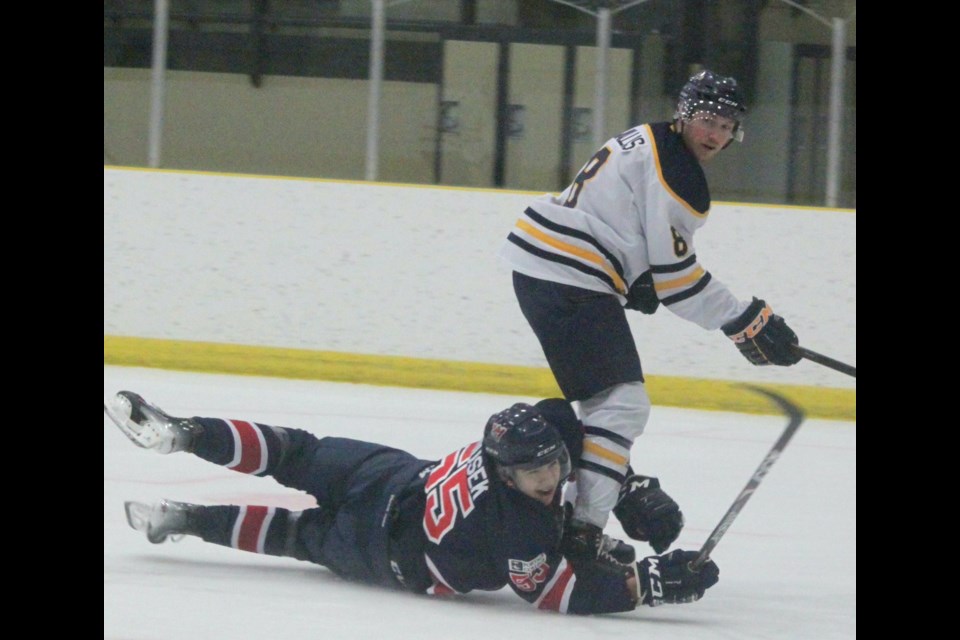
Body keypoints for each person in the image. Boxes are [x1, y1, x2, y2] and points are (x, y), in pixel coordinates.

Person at [497, 69, 802, 560]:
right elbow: (678, 281)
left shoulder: (650, 140)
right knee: (622, 404)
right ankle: (582, 538)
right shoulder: (677, 171)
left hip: (553, 267)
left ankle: (588, 510)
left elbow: (626, 232)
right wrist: (746, 319)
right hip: (568, 274)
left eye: (727, 127)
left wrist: (636, 275)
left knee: (609, 406)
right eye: (708, 120)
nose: (717, 136)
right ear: (684, 114)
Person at [105, 389, 719, 615]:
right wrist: (645, 585)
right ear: (504, 474)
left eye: (555, 462)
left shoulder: (536, 440)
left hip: (395, 487)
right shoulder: (520, 529)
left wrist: (630, 484)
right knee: (294, 518)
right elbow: (557, 593)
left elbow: (584, 434)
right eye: (536, 471)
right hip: (393, 550)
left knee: (296, 460)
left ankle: (186, 485)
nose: (554, 473)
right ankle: (182, 452)